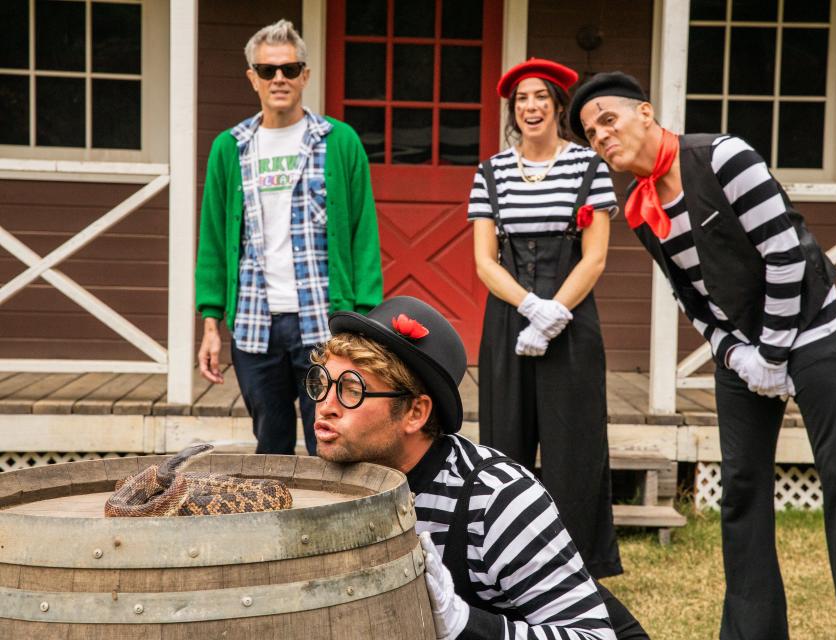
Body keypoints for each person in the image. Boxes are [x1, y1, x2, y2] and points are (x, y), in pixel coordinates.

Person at [570, 72, 836, 640]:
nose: (602, 136)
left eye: (610, 120)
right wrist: (734, 355)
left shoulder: (726, 157)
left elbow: (786, 257)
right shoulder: (639, 208)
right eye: (590, 133)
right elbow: (691, 297)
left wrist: (773, 352)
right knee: (742, 491)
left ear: (646, 113)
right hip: (744, 351)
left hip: (809, 329)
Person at [309, 295, 649, 639]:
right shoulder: (336, 485)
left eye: (351, 390)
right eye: (322, 385)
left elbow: (594, 636)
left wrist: (464, 624)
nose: (326, 406)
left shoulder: (497, 497)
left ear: (415, 413)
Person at [195, 19, 382, 457]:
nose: (279, 78)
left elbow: (362, 233)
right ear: (252, 78)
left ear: (305, 75)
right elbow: (214, 240)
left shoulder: (339, 142)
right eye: (267, 70)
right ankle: (276, 521)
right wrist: (210, 322)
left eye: (290, 68)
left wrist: (366, 319)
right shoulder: (230, 147)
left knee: (331, 442)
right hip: (255, 322)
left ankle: (330, 523)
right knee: (271, 440)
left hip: (323, 319)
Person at [468, 58, 622, 581]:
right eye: (521, 100)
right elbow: (485, 260)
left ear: (558, 106)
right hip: (509, 319)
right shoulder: (490, 171)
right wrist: (530, 308)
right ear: (513, 111)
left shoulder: (589, 167)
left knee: (573, 442)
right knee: (505, 439)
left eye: (540, 97)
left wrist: (555, 311)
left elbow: (595, 256)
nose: (530, 107)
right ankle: (507, 561)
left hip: (573, 319)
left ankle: (577, 564)